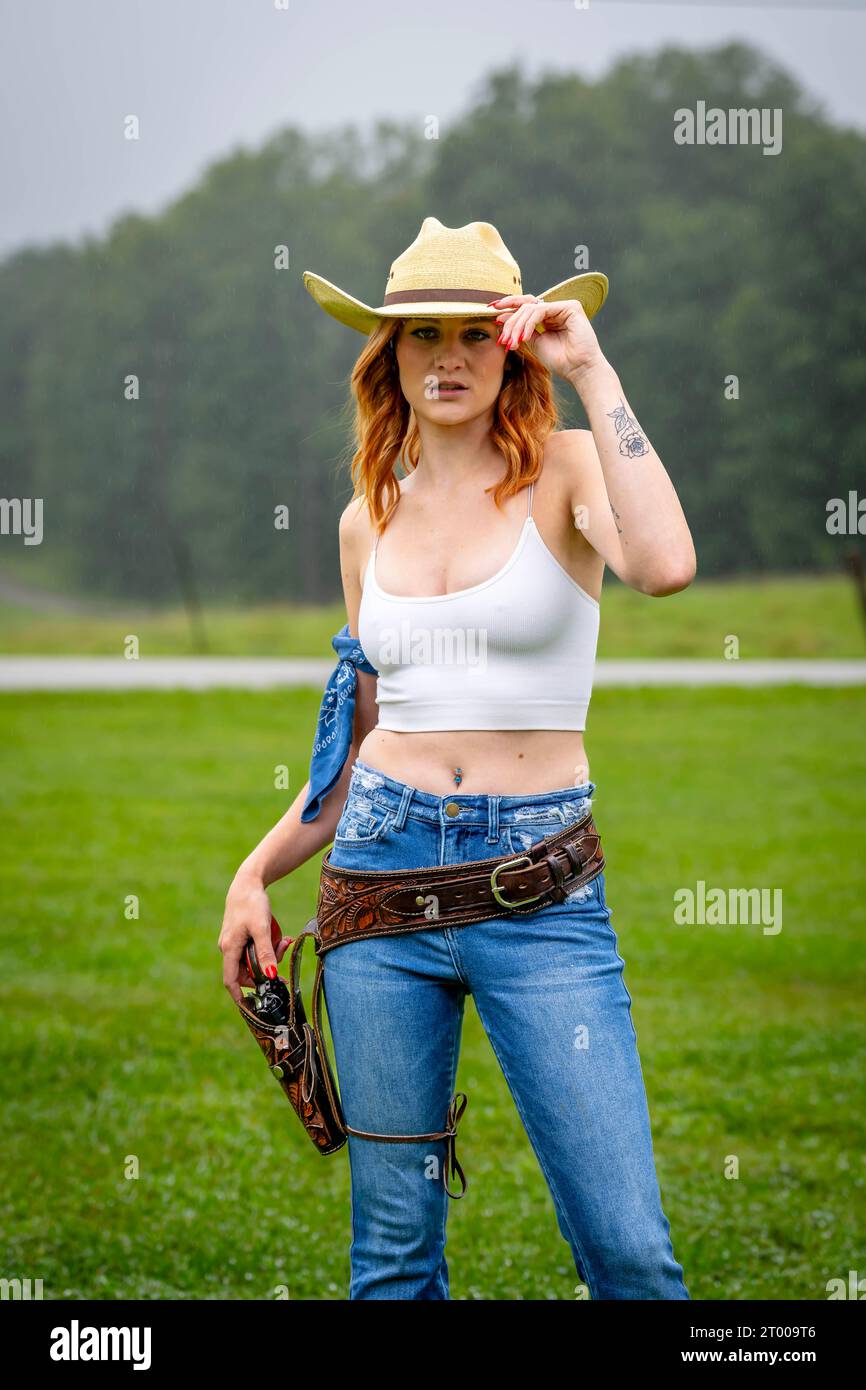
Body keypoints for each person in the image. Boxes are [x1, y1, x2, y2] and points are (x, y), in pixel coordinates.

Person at [219, 218, 696, 1300]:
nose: (446, 356)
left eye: (473, 334)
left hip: (540, 891)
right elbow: (362, 744)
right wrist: (255, 874)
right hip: (377, 898)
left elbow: (665, 565)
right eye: (417, 333)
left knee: (626, 1250)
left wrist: (592, 368)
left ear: (512, 346)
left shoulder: (567, 471)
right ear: (385, 355)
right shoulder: (363, 521)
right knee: (390, 1262)